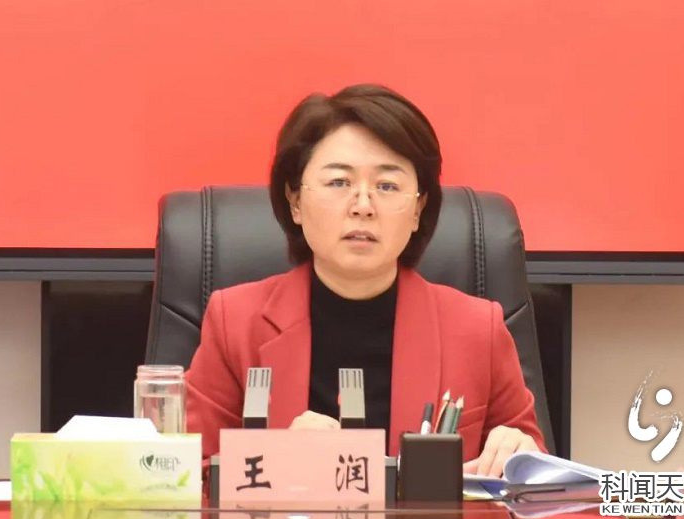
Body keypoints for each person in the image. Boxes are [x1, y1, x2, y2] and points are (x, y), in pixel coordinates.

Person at [184, 83, 546, 478]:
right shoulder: (236, 324)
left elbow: (535, 489)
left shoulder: (478, 331)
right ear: (295, 201)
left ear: (418, 210)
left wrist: (521, 458)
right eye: (339, 183)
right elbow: (187, 479)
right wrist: (279, 462)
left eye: (387, 186)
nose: (363, 206)